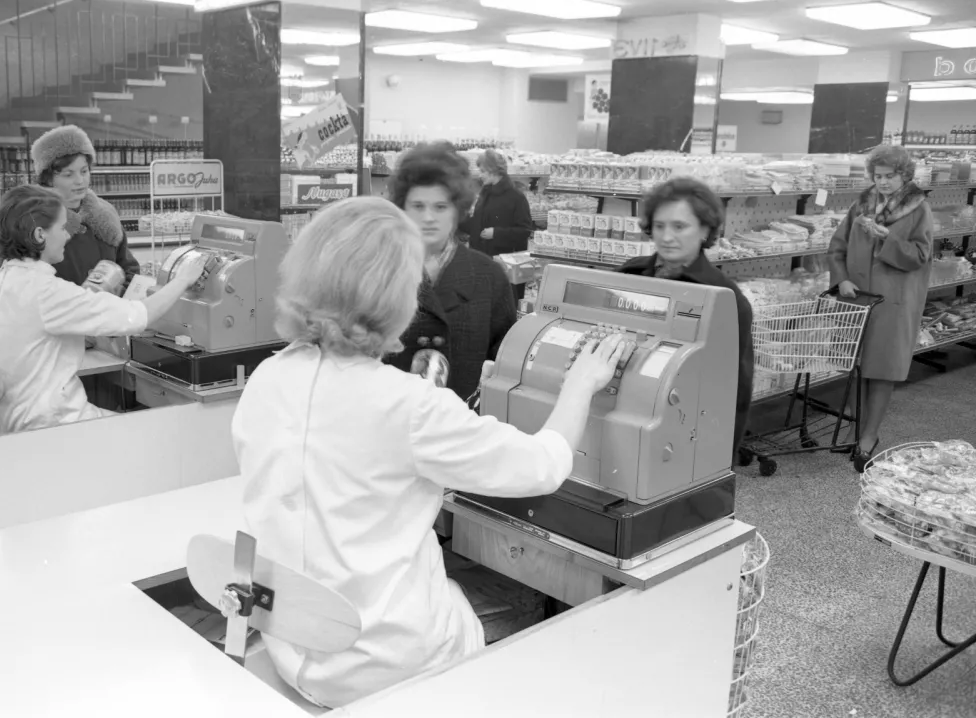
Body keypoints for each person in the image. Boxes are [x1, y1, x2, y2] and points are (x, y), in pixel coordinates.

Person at [232, 196, 625, 708]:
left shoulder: (269, 375)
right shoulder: (410, 406)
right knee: (533, 596)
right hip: (387, 663)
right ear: (395, 292)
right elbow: (542, 466)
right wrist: (581, 385)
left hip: (291, 644)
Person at [0, 185, 204, 434]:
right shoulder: (46, 291)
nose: (67, 236)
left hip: (16, 421)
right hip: (54, 424)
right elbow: (139, 315)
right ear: (40, 235)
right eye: (62, 228)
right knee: (158, 435)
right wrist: (183, 279)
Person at [618, 177, 754, 461]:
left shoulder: (725, 297)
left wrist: (719, 459)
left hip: (685, 428)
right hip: (623, 410)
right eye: (659, 226)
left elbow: (734, 389)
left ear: (705, 229)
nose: (667, 237)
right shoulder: (628, 276)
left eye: (679, 226)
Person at [387, 142, 518, 402]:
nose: (428, 217)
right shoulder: (377, 270)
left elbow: (503, 359)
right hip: (389, 420)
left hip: (461, 421)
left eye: (440, 207)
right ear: (402, 208)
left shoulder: (488, 276)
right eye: (418, 206)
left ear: (458, 210)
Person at [828, 145, 932, 458]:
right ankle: (854, 426)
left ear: (905, 175)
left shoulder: (917, 208)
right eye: (878, 175)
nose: (883, 182)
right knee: (855, 365)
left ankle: (869, 436)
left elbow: (920, 256)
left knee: (882, 370)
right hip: (856, 298)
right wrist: (841, 278)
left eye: (890, 176)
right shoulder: (862, 202)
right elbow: (837, 247)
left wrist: (887, 236)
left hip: (894, 302)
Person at [31, 124, 140, 289]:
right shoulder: (32, 218)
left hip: (106, 311)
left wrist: (118, 293)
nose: (80, 181)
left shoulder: (105, 214)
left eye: (84, 171)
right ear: (48, 178)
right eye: (68, 174)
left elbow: (128, 268)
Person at [464, 148, 535, 301]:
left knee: (502, 308)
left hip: (506, 268)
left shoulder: (516, 197)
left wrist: (496, 233)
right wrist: (456, 219)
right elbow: (477, 225)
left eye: (482, 170)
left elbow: (524, 230)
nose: (480, 175)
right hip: (482, 262)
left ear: (493, 170)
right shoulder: (485, 194)